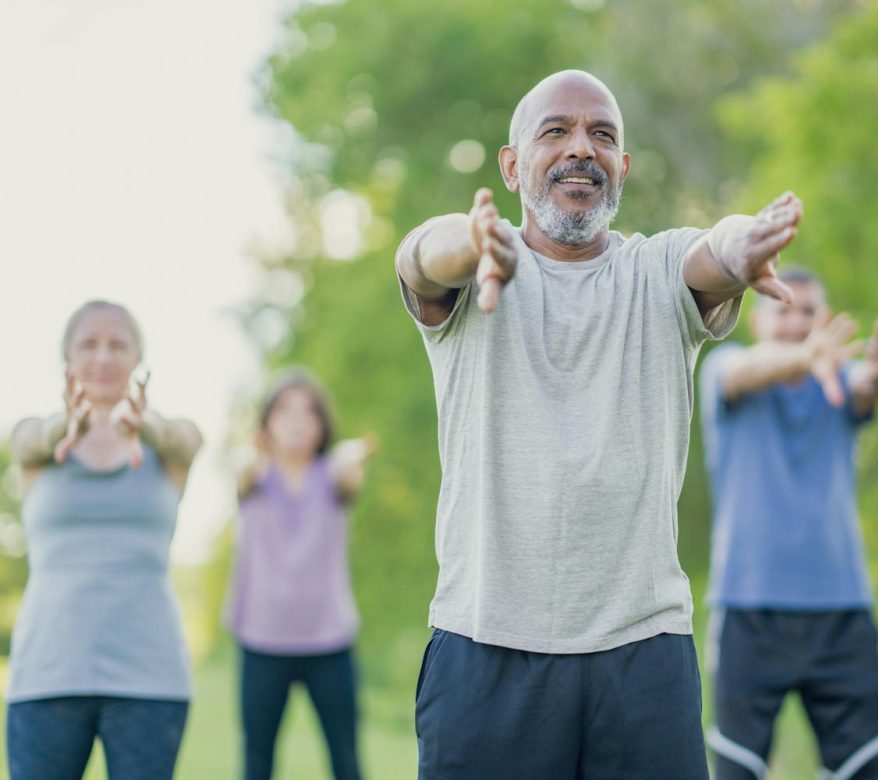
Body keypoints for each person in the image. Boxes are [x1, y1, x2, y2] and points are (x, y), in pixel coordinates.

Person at [395, 69, 804, 779]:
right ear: (513, 164)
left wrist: (743, 246)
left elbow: (714, 247)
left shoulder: (654, 270)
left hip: (642, 655)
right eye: (556, 131)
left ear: (623, 167)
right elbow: (422, 259)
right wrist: (471, 244)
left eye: (603, 136)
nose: (581, 148)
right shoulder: (471, 272)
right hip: (485, 650)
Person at [700, 267, 878, 780]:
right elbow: (747, 373)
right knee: (736, 769)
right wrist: (806, 358)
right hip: (749, 610)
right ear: (757, 319)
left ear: (824, 320)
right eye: (783, 309)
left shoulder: (837, 380)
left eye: (809, 312)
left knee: (870, 767)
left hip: (841, 610)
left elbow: (871, 384)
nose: (796, 323)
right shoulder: (727, 367)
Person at [6, 300, 203, 780]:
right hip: (45, 677)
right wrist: (64, 428)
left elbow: (185, 439)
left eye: (118, 344)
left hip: (151, 679)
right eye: (88, 344)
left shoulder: (168, 444)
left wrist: (144, 425)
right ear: (67, 360)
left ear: (138, 358)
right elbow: (28, 439)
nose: (103, 356)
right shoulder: (37, 444)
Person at [227, 369, 375, 780]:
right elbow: (241, 471)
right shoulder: (252, 475)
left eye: (308, 412)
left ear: (322, 424)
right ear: (267, 423)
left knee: (346, 761)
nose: (296, 420)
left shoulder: (333, 475)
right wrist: (256, 456)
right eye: (284, 410)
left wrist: (351, 457)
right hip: (262, 639)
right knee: (256, 762)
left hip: (328, 639)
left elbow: (350, 473)